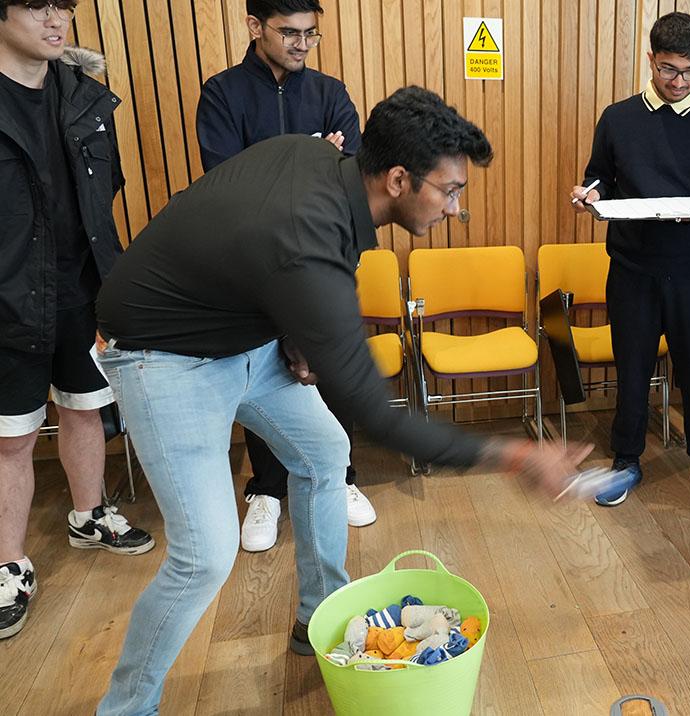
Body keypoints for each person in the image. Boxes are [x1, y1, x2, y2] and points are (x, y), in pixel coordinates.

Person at [92, 85, 590, 715]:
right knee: (205, 556)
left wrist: (299, 335)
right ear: (400, 178)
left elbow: (273, 262)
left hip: (242, 339)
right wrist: (517, 456)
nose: (457, 208)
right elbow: (374, 412)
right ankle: (126, 708)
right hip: (161, 357)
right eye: (451, 190)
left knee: (324, 452)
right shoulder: (307, 235)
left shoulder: (319, 162)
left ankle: (318, 619)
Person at [0, 0, 154, 642]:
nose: (56, 18)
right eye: (37, 5)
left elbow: (106, 188)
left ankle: (88, 515)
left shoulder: (86, 97)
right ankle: (8, 565)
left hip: (82, 288)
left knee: (86, 406)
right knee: (11, 436)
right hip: (7, 298)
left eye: (63, 5)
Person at [197, 0, 371, 551]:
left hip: (323, 260)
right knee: (262, 372)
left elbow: (352, 179)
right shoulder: (223, 93)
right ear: (255, 27)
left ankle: (340, 476)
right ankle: (267, 490)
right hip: (252, 264)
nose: (301, 44)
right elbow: (225, 178)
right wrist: (305, 158)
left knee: (328, 365)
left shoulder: (329, 93)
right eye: (290, 33)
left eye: (311, 34)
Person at [571, 12, 690, 517]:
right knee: (631, 371)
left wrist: (687, 212)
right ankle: (625, 460)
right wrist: (591, 194)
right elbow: (599, 176)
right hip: (632, 267)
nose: (679, 81)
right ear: (650, 59)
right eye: (669, 69)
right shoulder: (618, 118)